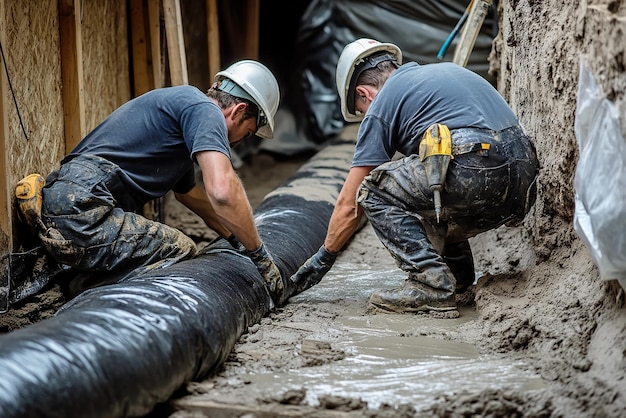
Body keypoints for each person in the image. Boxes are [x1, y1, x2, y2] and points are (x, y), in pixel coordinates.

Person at [289, 38, 539, 314]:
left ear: (364, 94)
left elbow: (350, 203)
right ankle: (458, 280)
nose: (365, 116)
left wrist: (324, 257)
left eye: (361, 111)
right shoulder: (443, 75)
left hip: (477, 167)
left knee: (373, 189)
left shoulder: (382, 104)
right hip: (525, 178)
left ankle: (431, 285)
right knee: (429, 181)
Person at [17, 60, 287, 305]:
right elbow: (222, 192)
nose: (238, 143)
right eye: (247, 133)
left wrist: (236, 239)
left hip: (70, 200)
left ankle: (74, 273)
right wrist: (259, 255)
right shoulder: (206, 111)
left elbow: (190, 195)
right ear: (238, 111)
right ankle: (86, 292)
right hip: (84, 208)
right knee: (178, 248)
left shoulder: (184, 118)